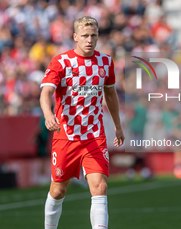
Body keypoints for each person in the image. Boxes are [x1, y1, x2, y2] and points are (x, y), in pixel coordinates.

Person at [40, 16, 125, 229]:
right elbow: (46, 92)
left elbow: (111, 95)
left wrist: (117, 125)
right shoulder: (61, 61)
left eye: (94, 35)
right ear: (75, 37)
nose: (89, 40)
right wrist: (48, 115)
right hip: (66, 136)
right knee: (58, 190)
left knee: (100, 186)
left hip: (94, 136)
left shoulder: (105, 62)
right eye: (85, 36)